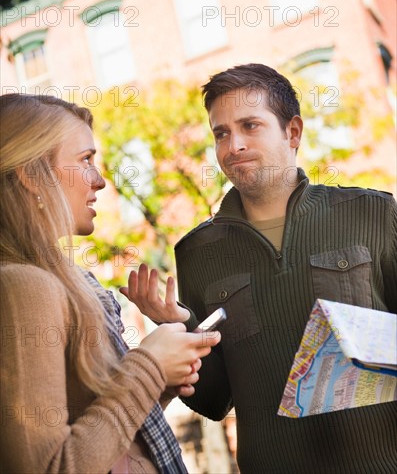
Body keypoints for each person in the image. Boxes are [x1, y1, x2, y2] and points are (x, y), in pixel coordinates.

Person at [125, 64, 397, 473]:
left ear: (292, 133)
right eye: (221, 133)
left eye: (250, 125)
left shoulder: (373, 214)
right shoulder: (198, 251)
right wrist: (179, 324)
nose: (233, 145)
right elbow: (214, 400)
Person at [0, 93, 221, 473]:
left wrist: (158, 384)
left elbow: (100, 439)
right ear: (32, 175)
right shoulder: (23, 286)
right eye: (85, 160)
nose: (100, 181)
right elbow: (50, 466)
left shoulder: (60, 280)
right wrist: (148, 366)